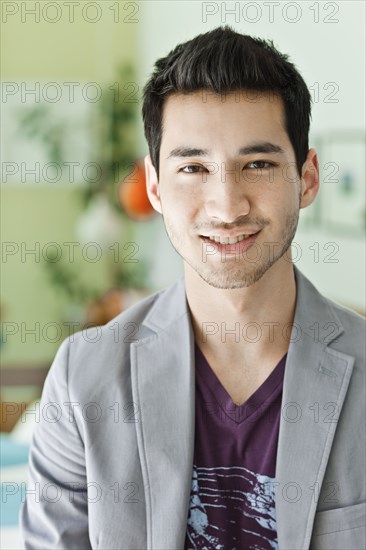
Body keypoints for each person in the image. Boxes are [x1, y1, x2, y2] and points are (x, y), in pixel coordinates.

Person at [20, 25, 365, 550]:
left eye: (258, 164)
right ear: (155, 187)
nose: (227, 207)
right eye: (194, 167)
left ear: (309, 177)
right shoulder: (81, 380)